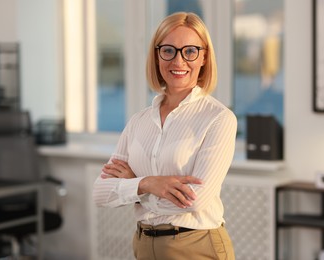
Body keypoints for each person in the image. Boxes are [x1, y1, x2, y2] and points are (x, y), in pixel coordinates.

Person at [93, 11, 237, 260]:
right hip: (143, 244)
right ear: (157, 55)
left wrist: (134, 187)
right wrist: (147, 184)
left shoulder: (219, 118)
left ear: (204, 57)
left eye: (190, 51)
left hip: (195, 246)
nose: (179, 61)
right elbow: (100, 192)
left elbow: (194, 200)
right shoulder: (138, 122)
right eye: (168, 50)